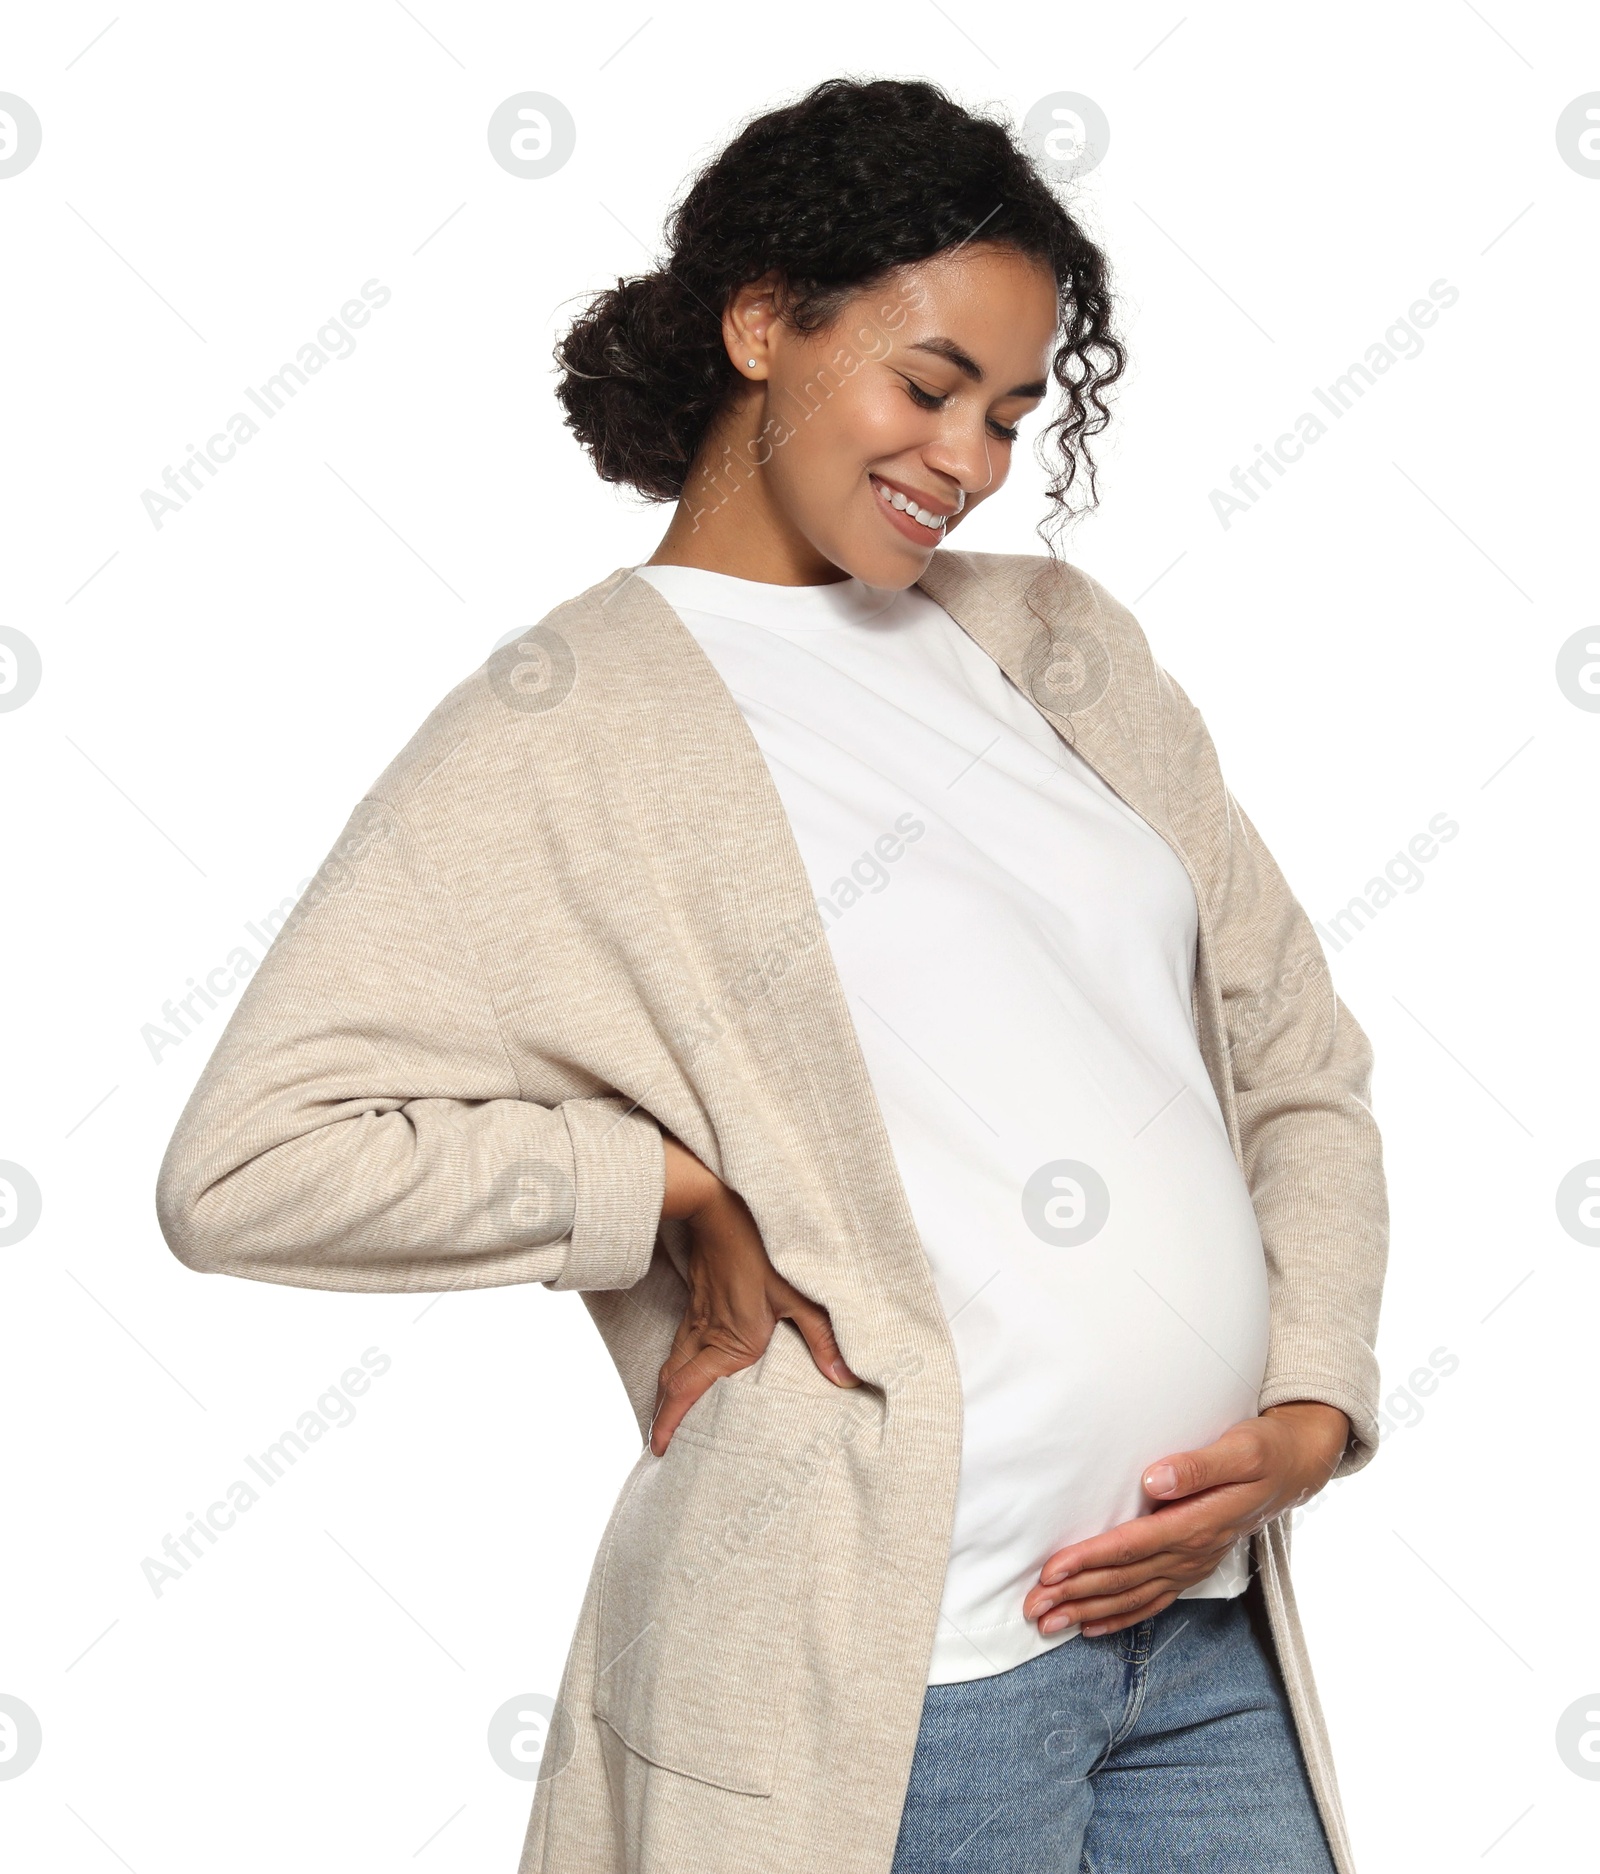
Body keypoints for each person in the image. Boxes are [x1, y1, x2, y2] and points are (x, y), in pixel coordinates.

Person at [156, 76, 1387, 1874]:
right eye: (926, 385)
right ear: (759, 323)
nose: (967, 459)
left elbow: (1297, 1062)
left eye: (1014, 411)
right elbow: (247, 1161)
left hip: (1203, 1647)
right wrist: (657, 1187)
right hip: (893, 1679)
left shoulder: (1058, 643)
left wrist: (1310, 1408)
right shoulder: (567, 725)